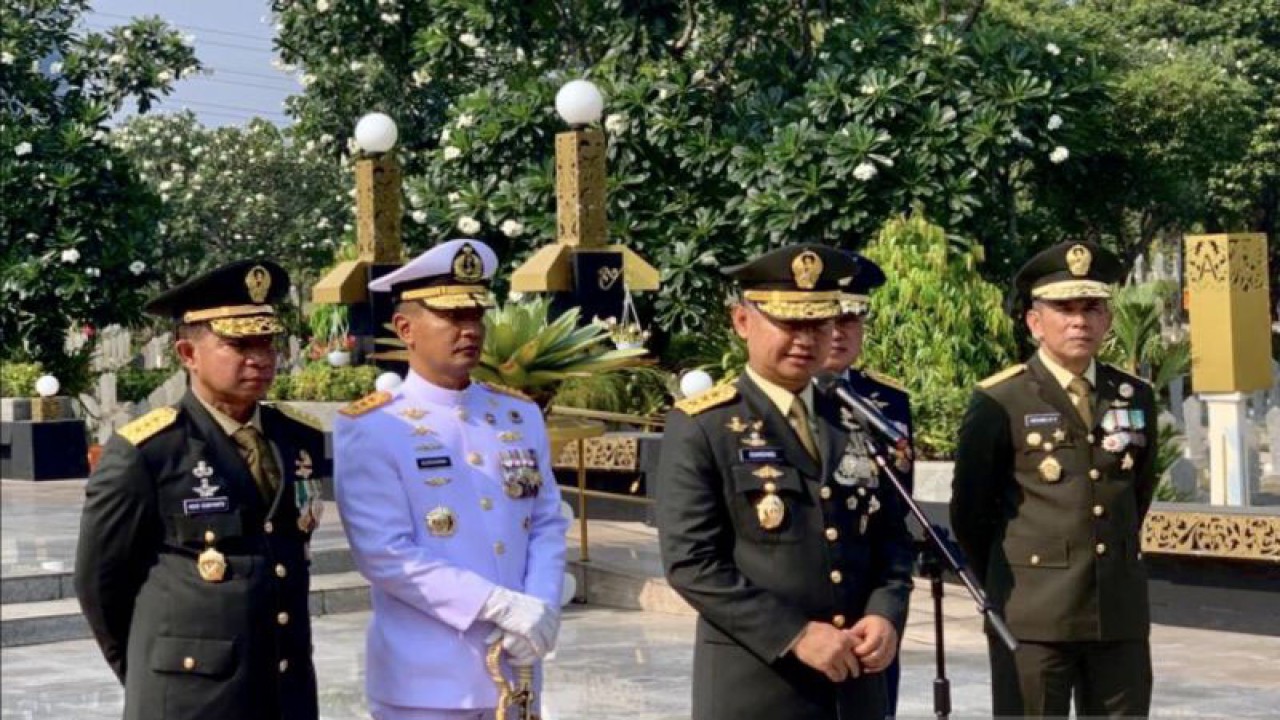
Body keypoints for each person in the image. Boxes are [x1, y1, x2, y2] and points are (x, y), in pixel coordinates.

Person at [656, 243, 915, 720]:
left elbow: (894, 537)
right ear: (742, 322)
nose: (806, 339)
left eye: (818, 323)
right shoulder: (705, 424)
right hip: (757, 682)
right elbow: (691, 563)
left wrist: (885, 611)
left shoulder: (858, 418)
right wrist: (795, 634)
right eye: (789, 323)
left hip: (856, 682)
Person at [75, 260, 328, 720]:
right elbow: (100, 583)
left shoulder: (297, 438)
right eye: (239, 343)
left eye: (267, 341)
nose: (261, 357)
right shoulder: (148, 451)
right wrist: (153, 672)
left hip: (283, 690)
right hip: (189, 698)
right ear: (188, 354)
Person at [334, 239, 568, 720]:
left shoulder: (517, 414)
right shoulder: (373, 427)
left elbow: (545, 521)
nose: (469, 330)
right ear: (405, 328)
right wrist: (496, 604)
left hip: (517, 667)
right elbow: (384, 552)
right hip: (426, 682)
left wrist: (539, 610)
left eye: (475, 315)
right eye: (451, 316)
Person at [950, 241, 1157, 718]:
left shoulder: (1133, 395)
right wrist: (1012, 581)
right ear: (1034, 321)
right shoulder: (1002, 399)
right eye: (1064, 308)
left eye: (1091, 309)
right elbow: (971, 513)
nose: (1079, 321)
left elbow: (1135, 492)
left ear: (1107, 319)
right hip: (1033, 612)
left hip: (1118, 610)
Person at [821, 254, 915, 719]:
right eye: (826, 318)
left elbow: (897, 522)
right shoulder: (747, 409)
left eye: (851, 318)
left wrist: (887, 612)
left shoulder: (887, 402)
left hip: (868, 624)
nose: (838, 331)